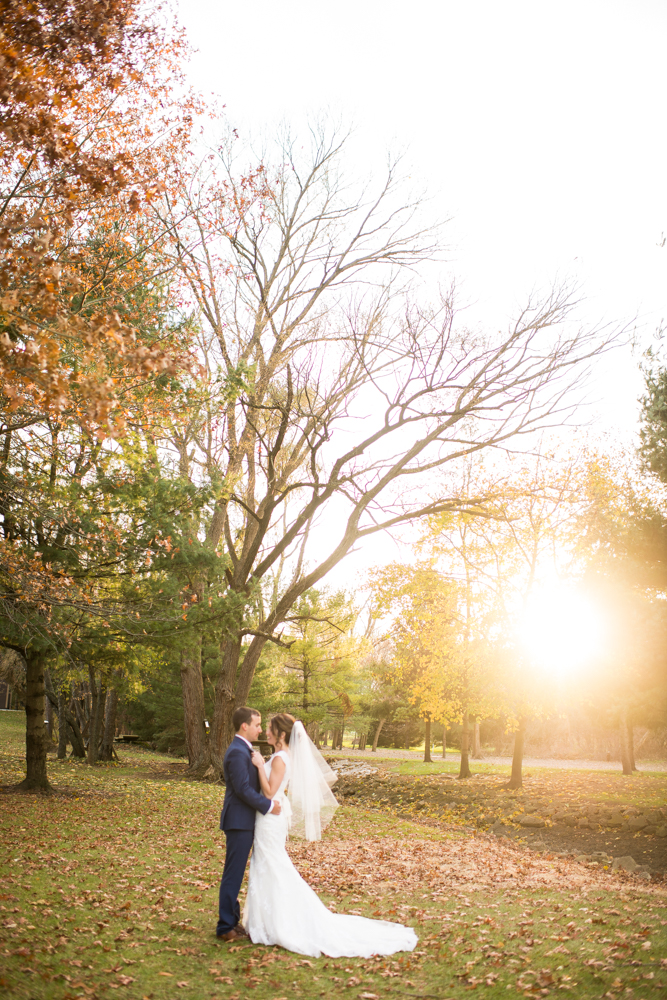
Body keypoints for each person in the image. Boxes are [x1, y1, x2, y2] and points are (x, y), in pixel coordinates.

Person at [243, 712, 418, 958]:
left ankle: (278, 923)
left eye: (270, 729)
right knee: (269, 864)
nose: (266, 733)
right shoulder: (283, 755)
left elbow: (270, 793)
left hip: (271, 818)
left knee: (273, 864)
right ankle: (265, 920)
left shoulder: (280, 758)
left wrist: (261, 765)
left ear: (282, 734)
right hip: (271, 818)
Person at [216, 707, 282, 942]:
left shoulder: (245, 750)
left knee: (236, 872)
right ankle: (225, 927)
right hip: (238, 821)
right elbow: (243, 789)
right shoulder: (236, 752)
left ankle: (232, 920)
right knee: (233, 874)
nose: (260, 729)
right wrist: (268, 805)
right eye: (256, 724)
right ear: (244, 725)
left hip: (245, 821)